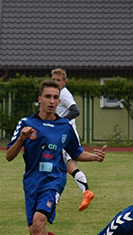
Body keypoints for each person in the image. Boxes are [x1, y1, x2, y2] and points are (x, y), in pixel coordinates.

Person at [6, 79, 106, 235]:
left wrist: (94, 157)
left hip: (54, 181)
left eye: (55, 97)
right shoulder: (26, 123)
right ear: (39, 99)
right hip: (32, 183)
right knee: (37, 233)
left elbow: (76, 152)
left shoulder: (64, 126)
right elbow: (8, 156)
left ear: (59, 101)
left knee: (39, 220)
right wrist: (21, 140)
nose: (52, 101)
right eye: (48, 97)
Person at [51, 68, 94, 211]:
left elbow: (76, 110)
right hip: (67, 135)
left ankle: (52, 202)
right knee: (70, 167)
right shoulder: (57, 94)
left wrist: (61, 122)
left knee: (58, 168)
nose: (55, 82)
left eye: (58, 80)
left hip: (65, 136)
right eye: (53, 80)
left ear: (64, 82)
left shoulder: (64, 94)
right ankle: (86, 192)